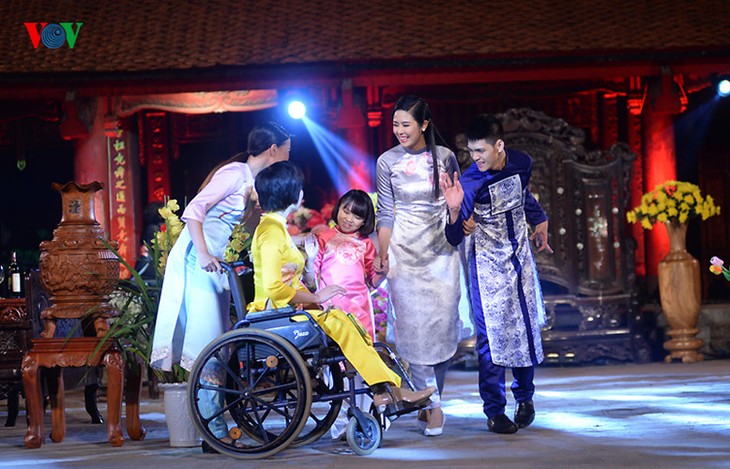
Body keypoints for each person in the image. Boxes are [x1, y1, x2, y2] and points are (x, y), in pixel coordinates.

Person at [249, 161, 435, 419]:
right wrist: (315, 297)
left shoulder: (276, 228)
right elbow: (273, 287)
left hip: (292, 309)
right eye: (299, 188)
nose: (303, 192)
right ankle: (388, 389)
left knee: (344, 321)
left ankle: (385, 389)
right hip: (277, 313)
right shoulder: (271, 231)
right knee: (340, 320)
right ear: (289, 194)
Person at [150, 121, 293, 446]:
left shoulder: (255, 180)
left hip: (218, 263)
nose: (288, 156)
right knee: (210, 341)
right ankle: (213, 434)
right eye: (287, 150)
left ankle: (214, 428)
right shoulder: (234, 173)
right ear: (274, 150)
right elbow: (194, 211)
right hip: (197, 259)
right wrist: (202, 254)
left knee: (222, 341)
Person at [439, 114, 553, 434]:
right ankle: (494, 410)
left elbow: (524, 195)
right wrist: (453, 210)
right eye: (471, 152)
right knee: (492, 338)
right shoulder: (471, 180)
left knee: (525, 328)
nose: (475, 158)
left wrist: (540, 219)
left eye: (481, 152)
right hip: (486, 264)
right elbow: (453, 237)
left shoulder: (522, 162)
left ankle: (526, 398)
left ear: (499, 146)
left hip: (520, 259)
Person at [375, 95, 470, 437]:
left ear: (424, 125)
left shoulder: (444, 157)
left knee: (442, 329)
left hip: (441, 250)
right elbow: (386, 211)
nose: (400, 131)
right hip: (404, 251)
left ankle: (430, 393)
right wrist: (383, 252)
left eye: (406, 124)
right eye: (396, 124)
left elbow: (455, 206)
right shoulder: (386, 161)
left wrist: (456, 210)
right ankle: (434, 407)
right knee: (414, 330)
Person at [301, 189, 386, 439]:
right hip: (331, 312)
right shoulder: (323, 237)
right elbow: (311, 278)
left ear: (365, 220)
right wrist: (310, 260)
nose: (349, 218)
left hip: (359, 312)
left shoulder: (367, 244)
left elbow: (373, 281)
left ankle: (364, 417)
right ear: (338, 208)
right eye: (346, 210)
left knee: (359, 367)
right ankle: (339, 422)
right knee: (334, 369)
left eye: (357, 216)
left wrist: (382, 269)